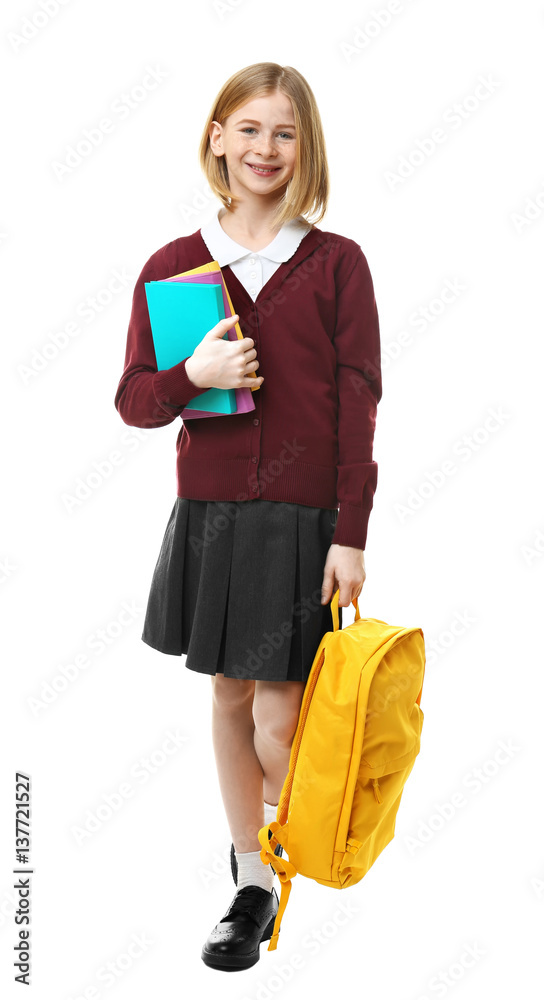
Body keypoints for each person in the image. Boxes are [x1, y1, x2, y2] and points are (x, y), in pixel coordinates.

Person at [114, 61, 382, 972]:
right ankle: (251, 882)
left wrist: (351, 529)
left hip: (306, 520)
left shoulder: (338, 262)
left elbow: (359, 402)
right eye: (250, 129)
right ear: (217, 137)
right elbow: (136, 404)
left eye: (285, 132)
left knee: (280, 716)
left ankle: (311, 832)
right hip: (214, 515)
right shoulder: (173, 267)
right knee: (229, 696)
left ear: (304, 147)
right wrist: (197, 377)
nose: (265, 149)